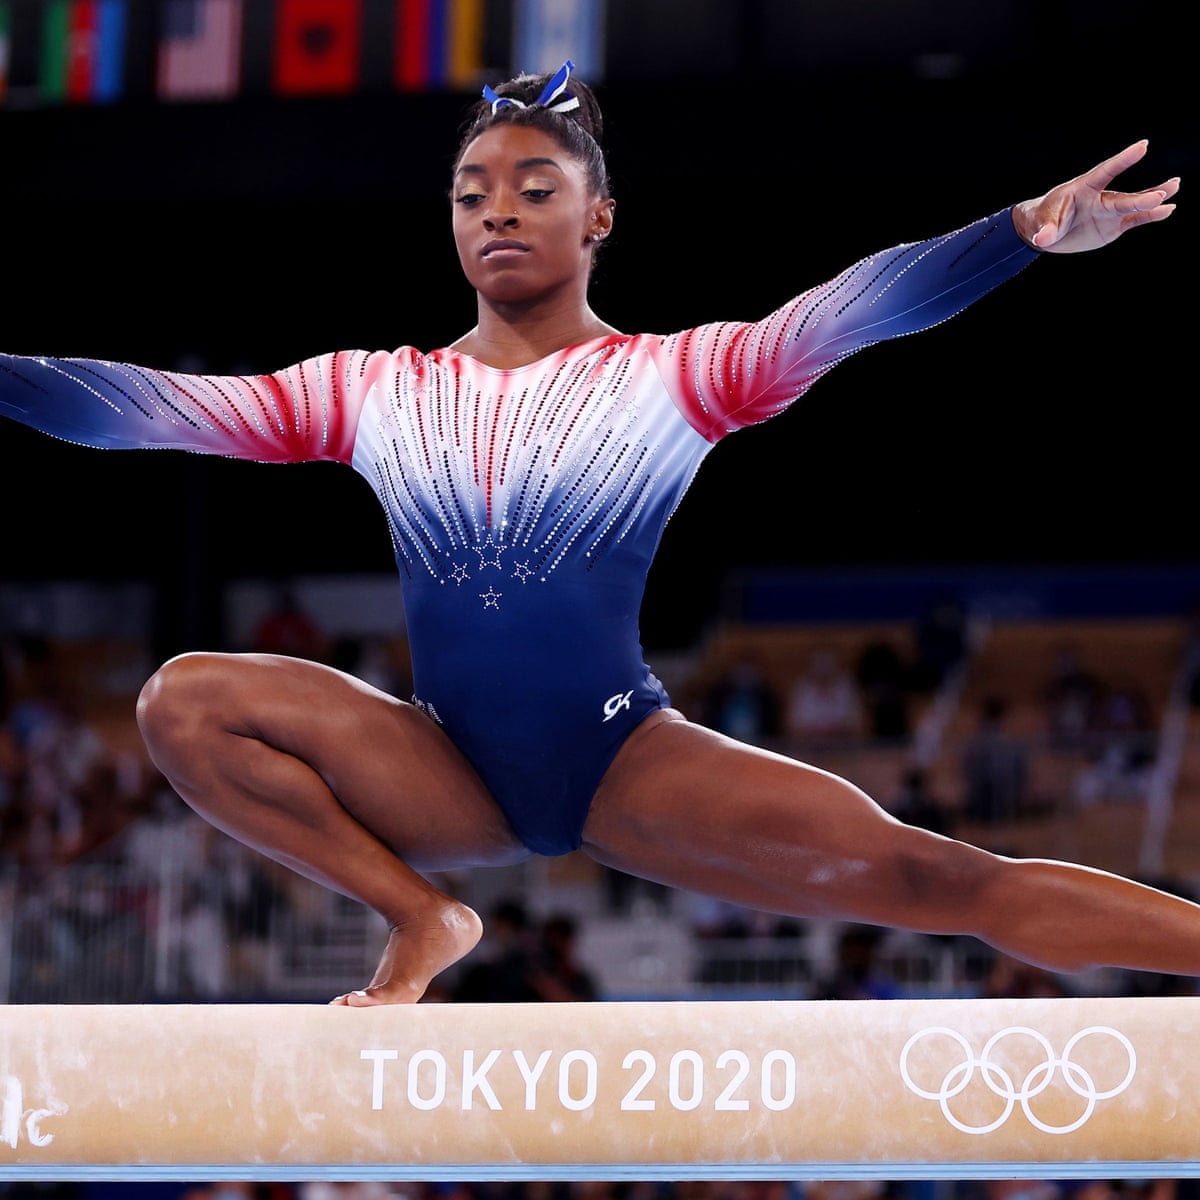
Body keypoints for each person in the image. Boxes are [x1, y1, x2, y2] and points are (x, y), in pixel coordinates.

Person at [0, 60, 1193, 1007]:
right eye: (471, 196)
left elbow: (852, 312)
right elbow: (143, 411)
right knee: (182, 701)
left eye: (533, 190)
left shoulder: (677, 376)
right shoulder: (373, 391)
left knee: (945, 879)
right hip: (443, 769)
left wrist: (1016, 238)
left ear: (601, 216)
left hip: (626, 762)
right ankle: (421, 915)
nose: (497, 214)